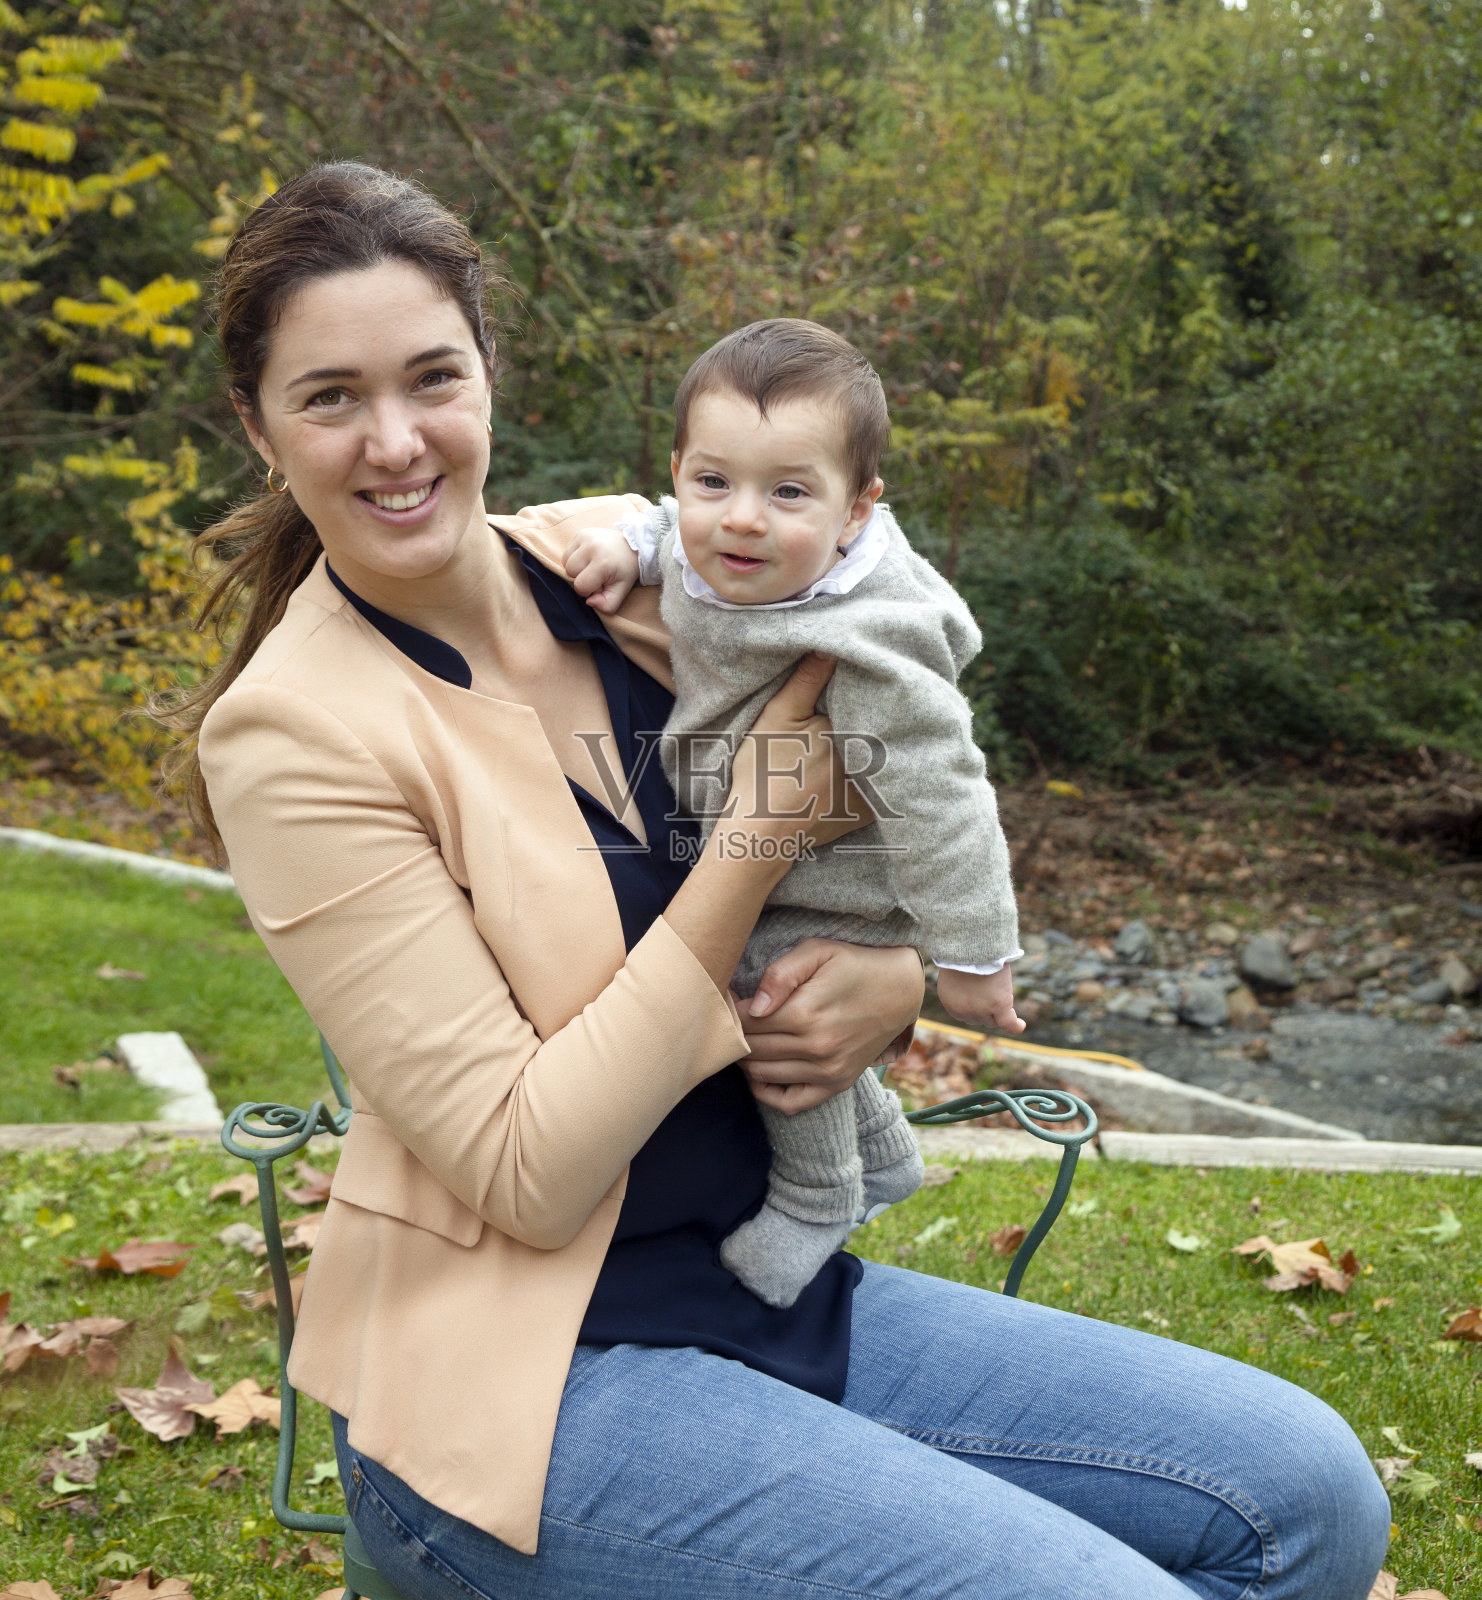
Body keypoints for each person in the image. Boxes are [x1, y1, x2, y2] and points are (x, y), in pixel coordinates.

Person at [166, 162, 1390, 1599]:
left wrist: (900, 976)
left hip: (765, 1290)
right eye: (329, 397)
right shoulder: (292, 732)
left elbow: (896, 659)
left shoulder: (639, 567)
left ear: (489, 372)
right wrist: (748, 850)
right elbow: (524, 1168)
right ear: (257, 425)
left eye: (432, 376)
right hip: (525, 1387)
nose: (394, 441)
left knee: (1307, 1501)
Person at [562, 318, 1026, 1309]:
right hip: (759, 823)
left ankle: (820, 1191)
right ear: (681, 469)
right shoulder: (708, 543)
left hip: (839, 877)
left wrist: (973, 955)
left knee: (769, 989)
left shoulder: (868, 638)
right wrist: (628, 547)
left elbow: (945, 788)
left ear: (857, 511)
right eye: (713, 483)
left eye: (789, 493)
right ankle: (887, 1148)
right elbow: (661, 528)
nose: (741, 520)